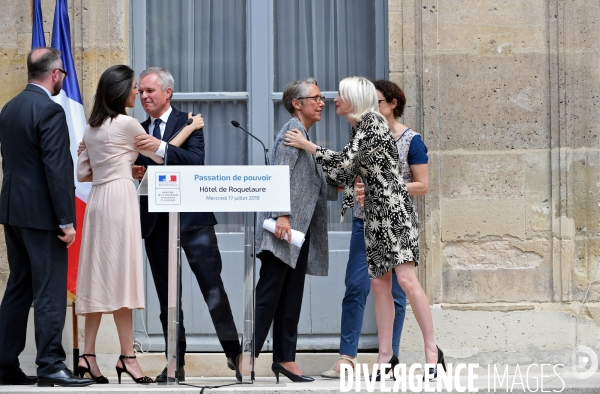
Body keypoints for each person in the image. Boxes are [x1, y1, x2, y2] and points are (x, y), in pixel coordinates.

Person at [285, 76, 445, 380]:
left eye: (340, 95)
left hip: (395, 213)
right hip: (373, 215)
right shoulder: (361, 126)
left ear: (353, 99)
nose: (333, 100)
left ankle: (432, 355)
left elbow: (345, 164)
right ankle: (385, 359)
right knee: (378, 286)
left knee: (407, 281)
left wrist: (307, 146)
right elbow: (349, 173)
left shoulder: (371, 122)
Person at [75, 65, 201, 385]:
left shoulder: (91, 128)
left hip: (98, 202)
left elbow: (83, 175)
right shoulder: (128, 124)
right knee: (122, 281)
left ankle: (87, 355)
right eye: (133, 87)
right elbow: (161, 154)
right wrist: (190, 126)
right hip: (120, 202)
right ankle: (128, 357)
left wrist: (113, 162)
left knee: (96, 278)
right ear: (120, 91)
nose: (137, 93)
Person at [133, 67, 241, 382]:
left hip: (194, 222)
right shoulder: (137, 128)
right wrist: (149, 164)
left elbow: (195, 162)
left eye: (150, 90)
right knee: (168, 299)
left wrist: (155, 158)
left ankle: (235, 355)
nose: (144, 96)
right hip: (156, 224)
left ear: (168, 92)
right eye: (140, 91)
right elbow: (137, 169)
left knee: (213, 289)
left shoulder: (189, 121)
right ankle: (174, 364)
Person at [321, 79, 429, 378]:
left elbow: (422, 185)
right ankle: (347, 357)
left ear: (393, 104)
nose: (375, 107)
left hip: (393, 221)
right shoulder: (361, 131)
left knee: (397, 290)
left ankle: (389, 357)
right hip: (363, 220)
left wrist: (382, 189)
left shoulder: (411, 140)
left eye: (379, 102)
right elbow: (347, 172)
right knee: (356, 286)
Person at [0, 47, 93, 387]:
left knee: (19, 287)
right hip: (42, 217)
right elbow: (56, 169)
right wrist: (66, 221)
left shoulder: (9, 108)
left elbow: (9, 163)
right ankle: (51, 365)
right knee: (50, 290)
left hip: (14, 211)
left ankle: (4, 364)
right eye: (63, 75)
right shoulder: (50, 111)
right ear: (55, 74)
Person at [249, 78, 339, 383]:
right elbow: (280, 174)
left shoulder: (303, 135)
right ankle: (246, 356)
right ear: (296, 104)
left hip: (297, 233)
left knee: (290, 296)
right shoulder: (293, 131)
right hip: (284, 230)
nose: (321, 102)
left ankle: (286, 359)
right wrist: (283, 216)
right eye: (315, 97)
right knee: (271, 294)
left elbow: (308, 183)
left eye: (321, 97)